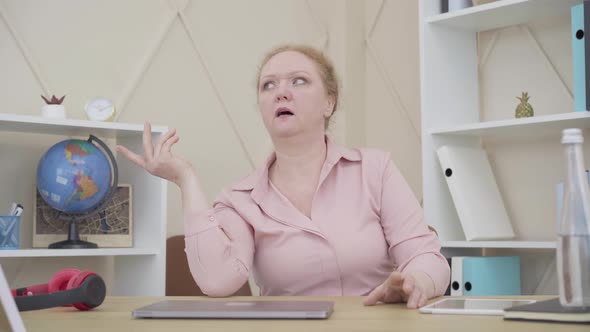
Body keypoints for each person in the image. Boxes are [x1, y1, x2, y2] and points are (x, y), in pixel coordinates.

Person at [117, 44, 450, 309]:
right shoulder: (239, 198)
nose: (281, 92)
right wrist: (185, 179)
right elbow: (217, 282)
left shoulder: (375, 169)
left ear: (329, 104)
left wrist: (416, 282)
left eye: (299, 80)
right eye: (268, 85)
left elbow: (426, 256)